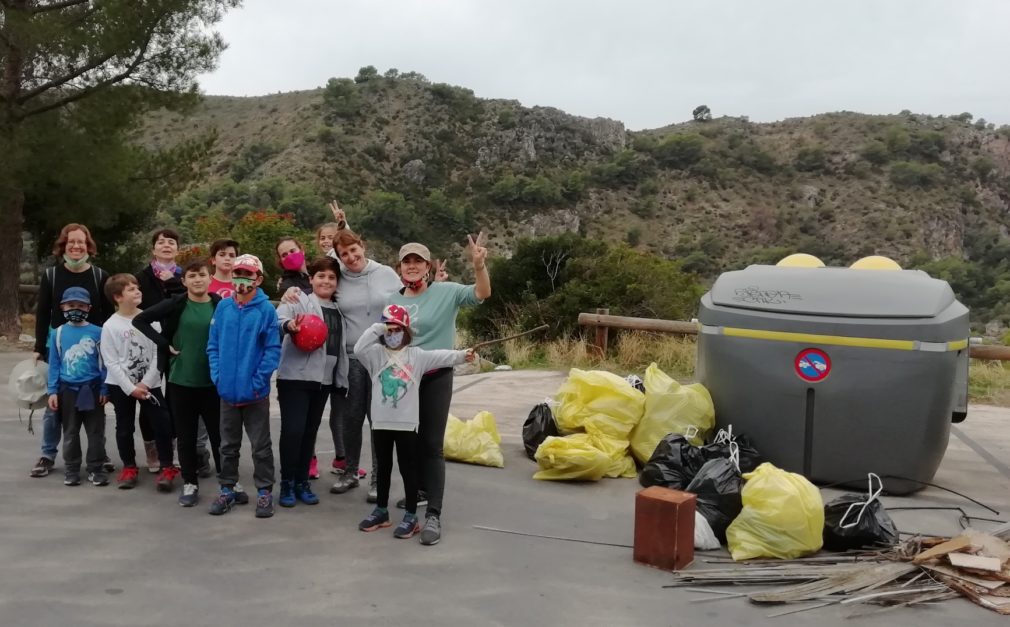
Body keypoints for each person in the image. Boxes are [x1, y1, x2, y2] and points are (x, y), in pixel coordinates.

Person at [387, 236, 491, 546]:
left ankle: (433, 513)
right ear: (400, 268)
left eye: (419, 261)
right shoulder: (393, 300)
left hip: (436, 375)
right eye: (407, 261)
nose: (413, 266)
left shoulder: (446, 292)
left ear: (429, 267)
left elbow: (482, 293)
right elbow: (389, 340)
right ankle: (417, 492)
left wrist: (479, 265)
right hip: (404, 377)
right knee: (408, 441)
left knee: (431, 444)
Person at [354, 307, 474, 538]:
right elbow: (359, 348)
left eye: (397, 330)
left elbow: (444, 355)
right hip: (380, 423)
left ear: (407, 332)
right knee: (384, 468)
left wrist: (463, 355)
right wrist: (380, 326)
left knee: (409, 469)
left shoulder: (417, 356)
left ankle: (411, 515)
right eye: (389, 330)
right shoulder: (375, 355)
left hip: (407, 425)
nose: (392, 334)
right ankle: (381, 510)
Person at [134, 260, 239, 507]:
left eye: (202, 275)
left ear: (208, 278)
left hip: (213, 382)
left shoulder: (220, 305)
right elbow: (140, 321)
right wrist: (163, 343)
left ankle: (228, 483)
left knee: (219, 436)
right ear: (184, 281)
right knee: (186, 436)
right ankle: (190, 482)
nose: (198, 280)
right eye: (192, 276)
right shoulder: (176, 304)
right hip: (181, 381)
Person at [30, 223, 113, 479]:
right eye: (71, 242)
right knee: (54, 407)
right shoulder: (51, 275)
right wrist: (38, 348)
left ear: (88, 246)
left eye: (81, 242)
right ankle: (47, 454)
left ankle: (99, 456)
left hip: (93, 349)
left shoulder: (100, 276)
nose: (76, 246)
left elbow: (108, 315)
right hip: (58, 345)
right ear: (63, 246)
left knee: (94, 412)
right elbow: (43, 313)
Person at [325, 230, 402, 499]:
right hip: (351, 358)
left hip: (382, 357)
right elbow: (317, 278)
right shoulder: (339, 277)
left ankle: (378, 479)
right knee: (351, 419)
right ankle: (349, 472)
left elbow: (404, 308)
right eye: (344, 254)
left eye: (354, 250)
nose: (351, 257)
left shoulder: (386, 274)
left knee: (378, 421)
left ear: (363, 246)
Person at [207, 254, 282, 518]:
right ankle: (227, 489)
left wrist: (258, 382)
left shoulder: (266, 310)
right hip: (227, 391)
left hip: (255, 394)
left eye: (248, 274)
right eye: (238, 272)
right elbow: (213, 345)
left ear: (258, 279)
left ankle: (264, 493)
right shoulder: (223, 308)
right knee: (227, 445)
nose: (241, 279)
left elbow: (272, 350)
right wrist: (218, 376)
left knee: (261, 446)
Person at [275, 256, 348, 507]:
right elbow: (280, 319)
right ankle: (286, 483)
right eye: (321, 276)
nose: (326, 281)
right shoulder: (299, 299)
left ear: (337, 282)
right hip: (295, 378)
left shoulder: (339, 310)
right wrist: (289, 326)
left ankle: (302, 482)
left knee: (309, 433)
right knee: (293, 431)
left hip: (324, 381)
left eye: (331, 277)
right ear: (311, 279)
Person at [100, 274, 177, 491]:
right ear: (117, 297)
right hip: (121, 385)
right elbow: (111, 361)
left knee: (162, 422)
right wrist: (131, 388)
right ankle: (129, 467)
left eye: (137, 287)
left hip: (149, 383)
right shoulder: (110, 326)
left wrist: (146, 382)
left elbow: (157, 352)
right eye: (131, 289)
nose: (138, 291)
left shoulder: (150, 319)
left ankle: (167, 466)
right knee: (124, 426)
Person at [134, 228, 187, 472]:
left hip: (178, 343)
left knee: (176, 397)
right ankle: (152, 448)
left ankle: (173, 447)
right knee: (150, 396)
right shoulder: (142, 277)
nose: (167, 245)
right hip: (148, 343)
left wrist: (173, 282)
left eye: (172, 242)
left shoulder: (185, 276)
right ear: (153, 248)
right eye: (161, 242)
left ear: (178, 248)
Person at [47, 286, 109, 487]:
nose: (76, 309)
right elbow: (54, 364)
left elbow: (105, 363)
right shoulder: (57, 333)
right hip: (67, 390)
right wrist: (52, 391)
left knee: (95, 431)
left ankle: (96, 468)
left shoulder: (99, 332)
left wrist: (104, 389)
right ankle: (72, 469)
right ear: (62, 307)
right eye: (71, 305)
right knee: (70, 431)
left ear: (88, 308)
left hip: (91, 389)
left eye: (80, 305)